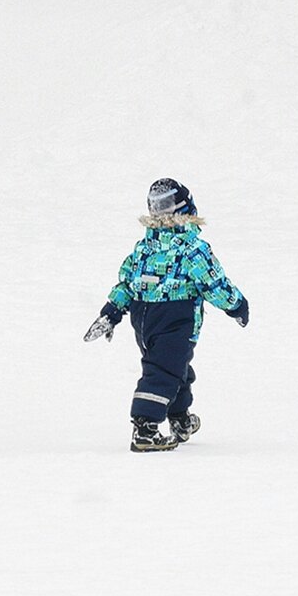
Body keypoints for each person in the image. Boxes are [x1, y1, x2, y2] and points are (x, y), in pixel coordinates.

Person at [84, 179, 249, 452]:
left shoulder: (144, 247)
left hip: (143, 317)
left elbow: (127, 283)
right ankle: (145, 427)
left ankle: (180, 418)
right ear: (188, 209)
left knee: (175, 368)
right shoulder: (192, 249)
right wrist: (236, 306)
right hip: (176, 315)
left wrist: (112, 311)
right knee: (163, 371)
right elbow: (214, 283)